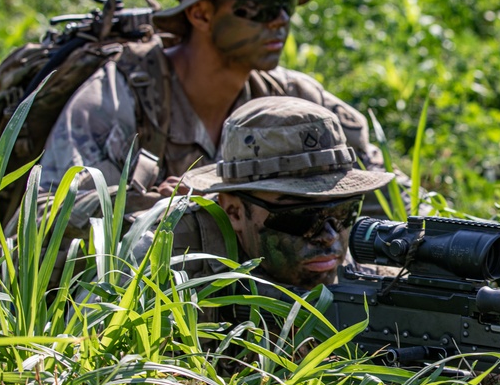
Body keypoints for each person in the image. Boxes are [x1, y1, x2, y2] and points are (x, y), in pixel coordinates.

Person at [37, 0, 386, 232]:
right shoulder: (117, 98)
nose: (281, 20)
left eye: (288, 2)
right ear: (201, 14)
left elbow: (379, 194)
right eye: (260, 6)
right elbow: (45, 221)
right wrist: (178, 212)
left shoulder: (292, 96)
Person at [154, 97, 394, 290]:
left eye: (344, 211)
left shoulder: (364, 270)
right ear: (234, 212)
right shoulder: (170, 256)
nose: (328, 236)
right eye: (299, 216)